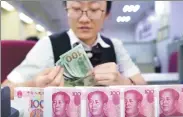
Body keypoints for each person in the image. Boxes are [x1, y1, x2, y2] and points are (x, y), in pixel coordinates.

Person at [2, 1, 146, 99]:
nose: (84, 19)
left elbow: (143, 88)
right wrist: (34, 86)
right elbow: (5, 91)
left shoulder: (115, 45)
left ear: (106, 14)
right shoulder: (48, 44)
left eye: (94, 9)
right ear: (67, 10)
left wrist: (123, 82)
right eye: (76, 9)